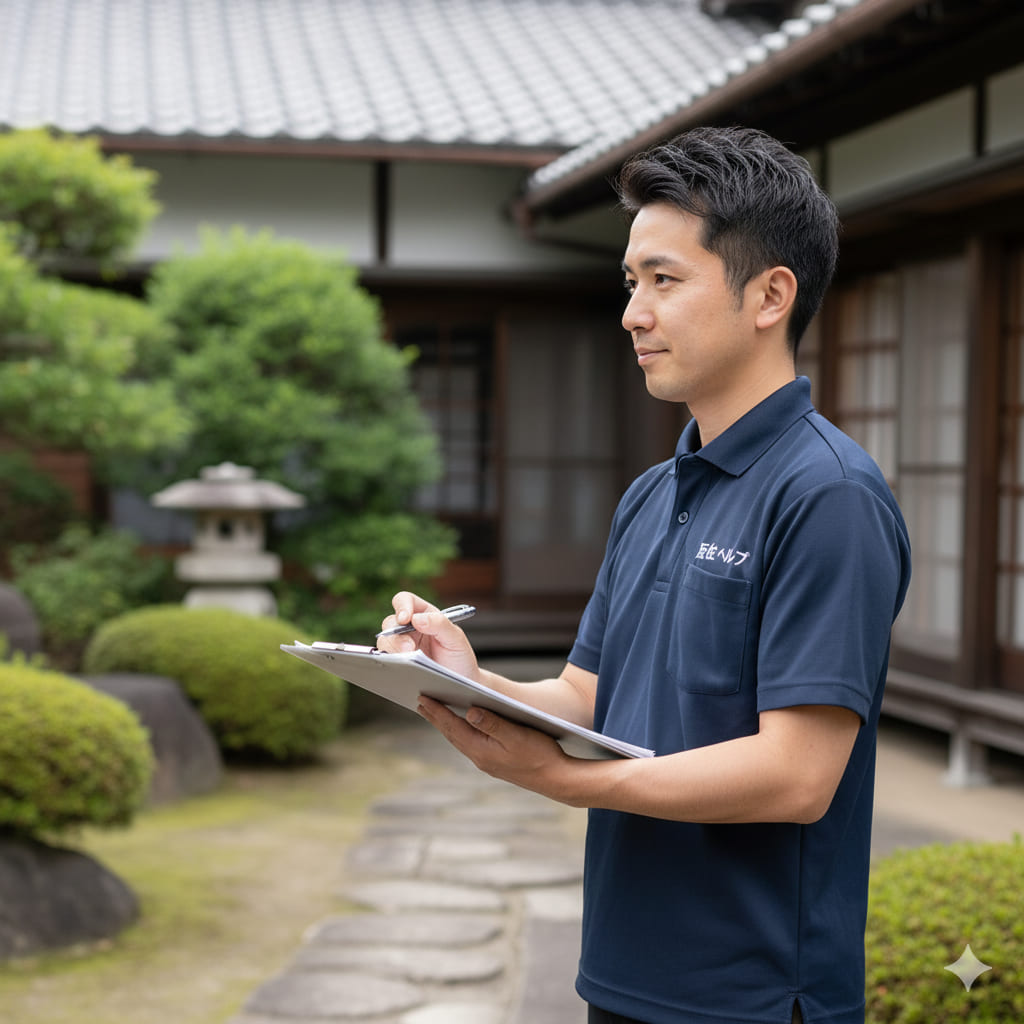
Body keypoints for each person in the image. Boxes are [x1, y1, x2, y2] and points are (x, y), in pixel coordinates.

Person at [378, 126, 911, 1024]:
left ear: (770, 295)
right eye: (632, 282)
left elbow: (796, 776)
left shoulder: (829, 495)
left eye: (665, 280)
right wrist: (470, 680)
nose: (633, 311)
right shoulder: (653, 493)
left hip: (753, 994)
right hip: (624, 969)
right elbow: (591, 694)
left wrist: (569, 782)